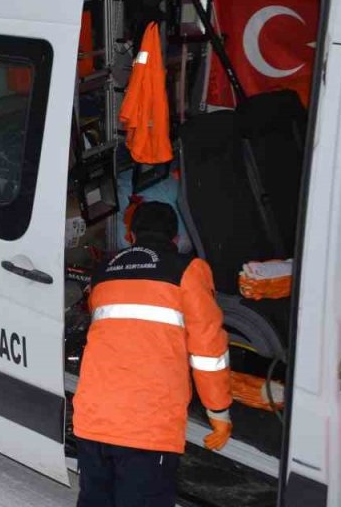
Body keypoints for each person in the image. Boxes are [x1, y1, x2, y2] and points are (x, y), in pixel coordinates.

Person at [72, 201, 232, 507]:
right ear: (175, 238)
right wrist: (218, 411)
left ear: (131, 235)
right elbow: (208, 349)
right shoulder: (188, 271)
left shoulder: (105, 270)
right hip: (146, 427)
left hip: (93, 419)